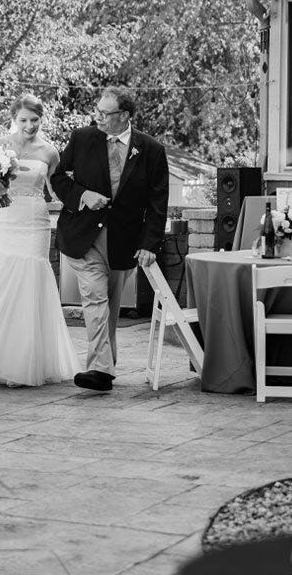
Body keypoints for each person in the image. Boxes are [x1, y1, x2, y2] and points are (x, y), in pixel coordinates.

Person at [51, 87, 169, 392]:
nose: (98, 118)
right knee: (95, 298)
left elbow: (158, 202)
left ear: (124, 116)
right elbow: (58, 178)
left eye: (106, 113)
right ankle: (100, 369)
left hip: (124, 240)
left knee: (110, 305)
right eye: (97, 112)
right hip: (83, 235)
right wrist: (83, 196)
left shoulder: (151, 149)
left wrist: (149, 244)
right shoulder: (82, 138)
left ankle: (104, 367)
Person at [0, 94, 81, 386]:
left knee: (30, 280)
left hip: (35, 220)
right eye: (23, 120)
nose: (29, 125)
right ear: (14, 118)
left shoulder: (51, 152)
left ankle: (24, 358)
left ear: (42, 119)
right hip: (4, 217)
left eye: (35, 120)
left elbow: (57, 188)